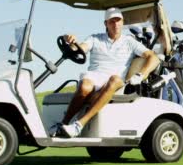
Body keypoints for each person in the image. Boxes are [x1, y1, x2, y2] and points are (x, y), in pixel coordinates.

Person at [49, 7, 158, 138]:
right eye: (112, 21)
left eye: (118, 20)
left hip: (115, 81)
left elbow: (153, 57)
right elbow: (80, 49)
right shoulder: (95, 38)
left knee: (114, 79)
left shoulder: (130, 42)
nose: (116, 24)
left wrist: (142, 74)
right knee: (85, 86)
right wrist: (70, 42)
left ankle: (79, 124)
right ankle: (63, 124)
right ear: (105, 23)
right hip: (95, 76)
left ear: (123, 22)